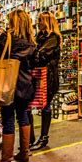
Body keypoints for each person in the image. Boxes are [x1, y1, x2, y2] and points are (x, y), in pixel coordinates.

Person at [0, 9, 36, 162]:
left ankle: (6, 161)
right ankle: (24, 153)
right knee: (23, 116)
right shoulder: (31, 42)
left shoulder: (6, 37)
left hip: (8, 84)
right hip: (26, 85)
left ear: (13, 22)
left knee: (8, 119)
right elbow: (35, 63)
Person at [29, 12, 62, 151]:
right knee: (33, 105)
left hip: (48, 77)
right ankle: (30, 138)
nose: (38, 22)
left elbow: (40, 55)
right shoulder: (39, 36)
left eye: (40, 20)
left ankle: (43, 137)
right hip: (39, 75)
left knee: (45, 105)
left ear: (47, 22)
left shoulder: (53, 38)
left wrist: (32, 54)